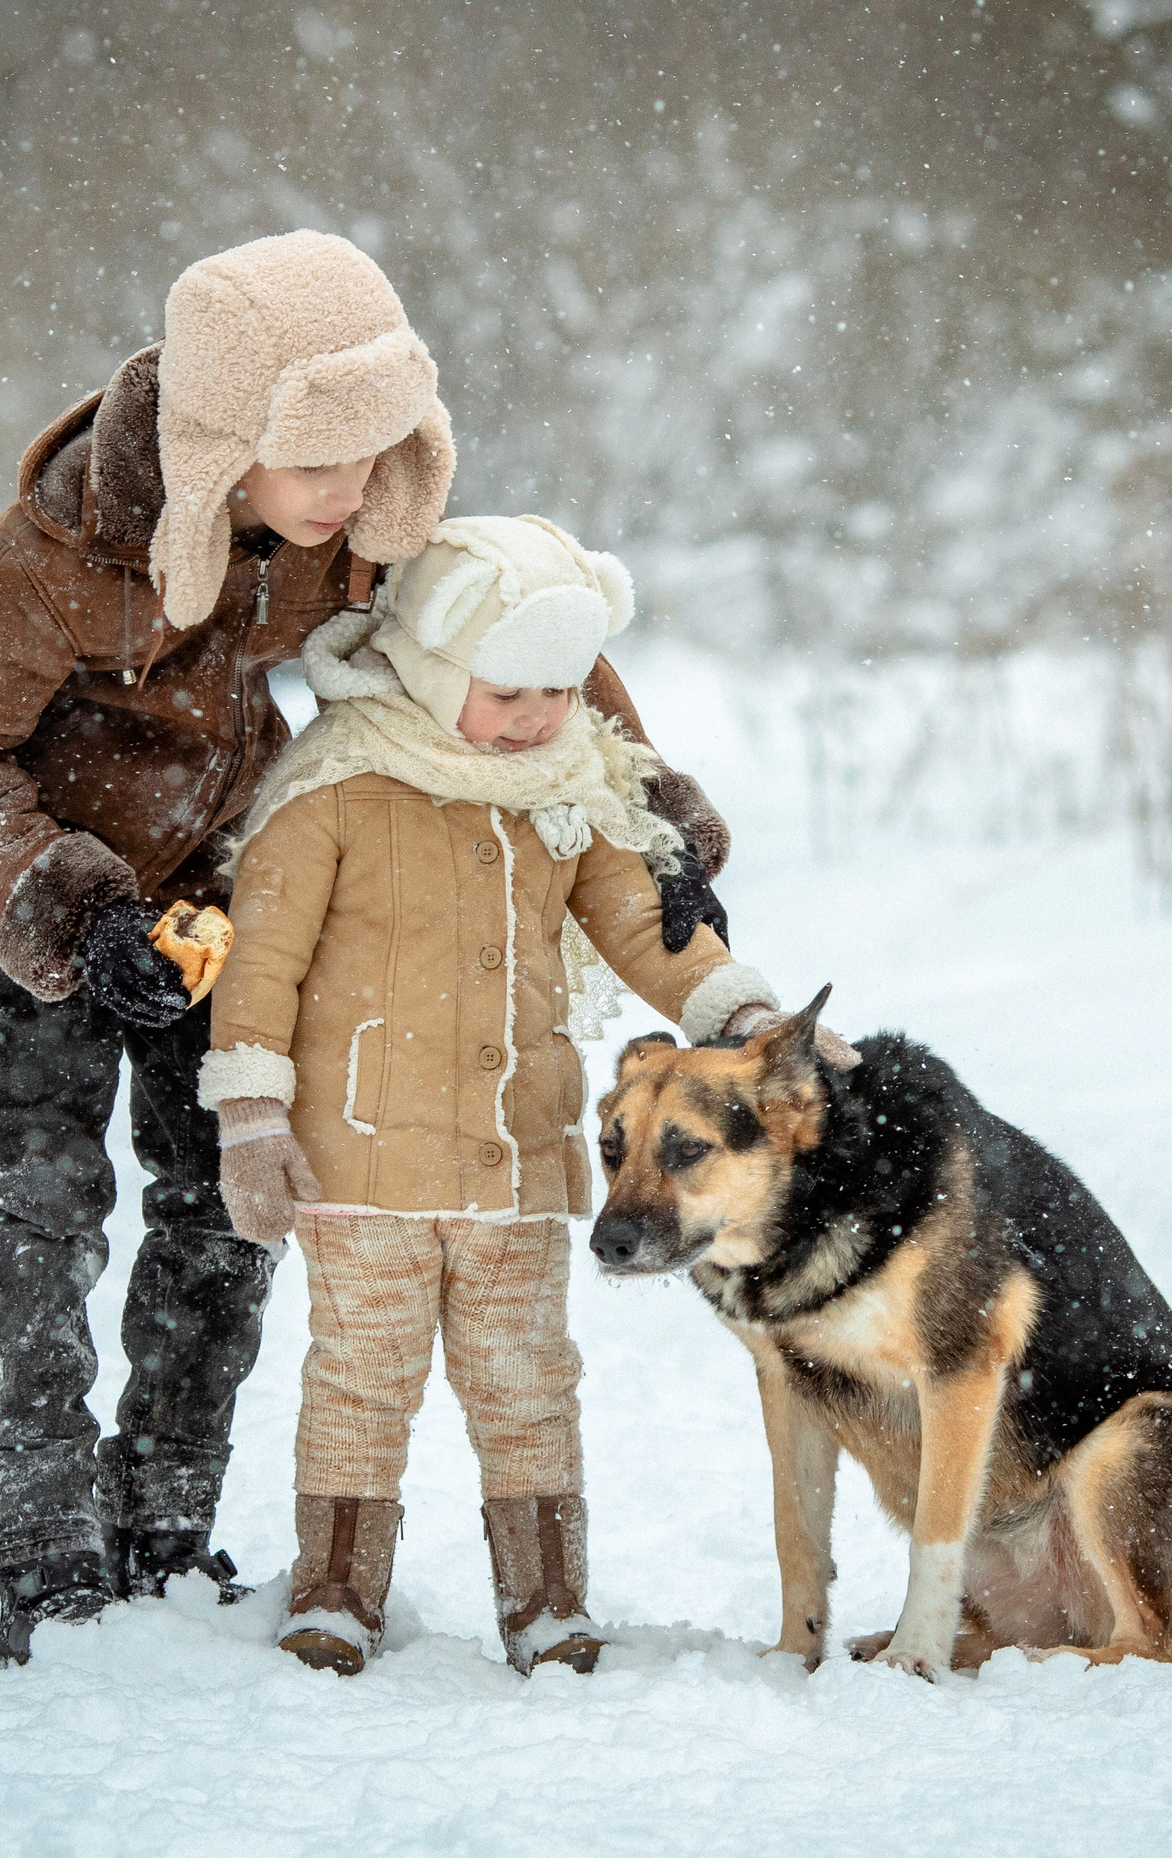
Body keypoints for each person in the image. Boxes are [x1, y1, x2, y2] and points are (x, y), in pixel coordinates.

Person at [0, 233, 734, 1669]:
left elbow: (523, 634)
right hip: (23, 904)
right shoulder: (44, 563)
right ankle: (50, 1565)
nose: (352, 493)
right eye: (319, 459)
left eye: (376, 452)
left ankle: (164, 1530)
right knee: (33, 1209)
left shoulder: (354, 528)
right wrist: (73, 907)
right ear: (222, 445)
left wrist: (648, 814)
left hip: (212, 887)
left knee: (219, 1201)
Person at [197, 515, 847, 1677]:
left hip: (513, 1154)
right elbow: (260, 965)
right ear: (438, 665)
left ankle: (545, 1594)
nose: (537, 716)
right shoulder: (336, 786)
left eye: (557, 689)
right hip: (360, 1161)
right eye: (507, 690)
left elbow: (648, 925)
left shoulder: (566, 788)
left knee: (528, 1379)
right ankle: (337, 1588)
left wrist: (738, 1015)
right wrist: (251, 1116)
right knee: (361, 1376)